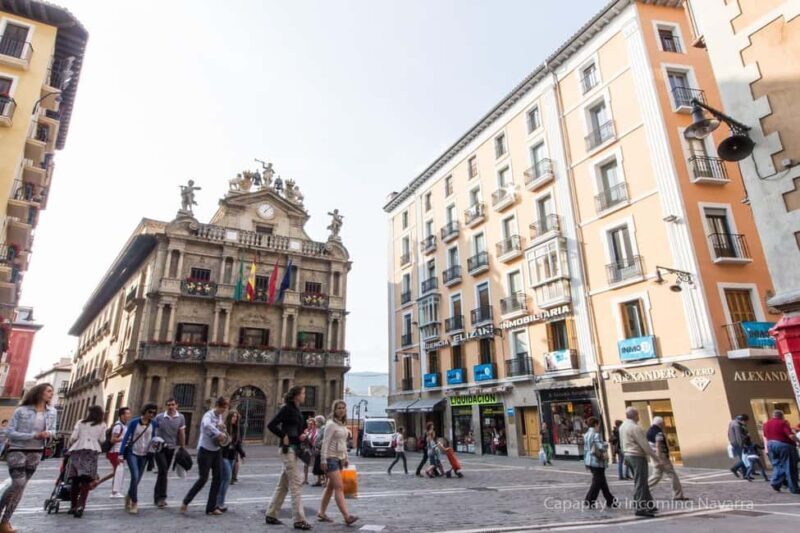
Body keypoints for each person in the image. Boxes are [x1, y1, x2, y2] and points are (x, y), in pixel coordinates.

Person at [0, 383, 57, 533]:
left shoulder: (52, 411)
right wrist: (33, 435)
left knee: (21, 487)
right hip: (17, 449)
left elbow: (53, 429)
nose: (52, 394)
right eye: (49, 391)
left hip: (36, 451)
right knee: (18, 483)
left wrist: (48, 433)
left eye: (52, 392)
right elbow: (9, 432)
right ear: (39, 393)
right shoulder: (21, 410)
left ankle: (4, 522)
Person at [265, 385, 311, 530]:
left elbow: (297, 431)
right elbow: (271, 425)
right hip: (287, 450)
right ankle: (299, 519)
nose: (305, 395)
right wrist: (283, 436)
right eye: (303, 393)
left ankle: (271, 514)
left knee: (283, 485)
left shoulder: (297, 410)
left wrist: (302, 436)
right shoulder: (286, 408)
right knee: (296, 483)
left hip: (295, 449)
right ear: (296, 395)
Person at [181, 396, 229, 515]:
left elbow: (220, 424)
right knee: (203, 478)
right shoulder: (208, 415)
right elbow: (207, 425)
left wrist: (222, 428)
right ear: (218, 406)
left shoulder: (219, 416)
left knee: (218, 478)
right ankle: (185, 502)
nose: (224, 411)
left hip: (216, 450)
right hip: (205, 450)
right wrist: (218, 433)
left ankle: (211, 508)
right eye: (224, 408)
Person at [317, 400, 358, 526]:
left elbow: (343, 443)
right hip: (330, 459)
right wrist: (323, 460)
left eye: (343, 408)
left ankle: (321, 513)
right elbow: (325, 443)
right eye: (339, 408)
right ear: (334, 410)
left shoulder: (342, 424)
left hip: (339, 459)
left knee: (330, 487)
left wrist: (345, 457)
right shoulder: (331, 424)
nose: (341, 410)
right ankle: (347, 516)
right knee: (339, 487)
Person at [620, 407, 662, 518]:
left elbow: (622, 443)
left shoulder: (622, 426)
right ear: (634, 415)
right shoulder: (635, 428)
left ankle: (650, 505)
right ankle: (640, 507)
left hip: (628, 455)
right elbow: (645, 445)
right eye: (638, 415)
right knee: (640, 483)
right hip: (637, 456)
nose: (639, 417)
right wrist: (656, 458)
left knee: (641, 482)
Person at [66, 405, 106, 518]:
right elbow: (102, 439)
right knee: (86, 481)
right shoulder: (102, 424)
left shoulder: (81, 422)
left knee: (75, 480)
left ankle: (73, 506)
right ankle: (81, 506)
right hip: (92, 452)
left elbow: (73, 437)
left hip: (78, 450)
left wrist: (70, 446)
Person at [120, 402, 158, 514]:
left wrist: (156, 444)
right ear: (144, 411)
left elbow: (154, 437)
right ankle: (134, 502)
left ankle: (129, 495)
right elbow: (126, 438)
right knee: (135, 476)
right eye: (150, 412)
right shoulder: (134, 422)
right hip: (133, 453)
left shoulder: (153, 424)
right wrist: (121, 454)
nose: (151, 414)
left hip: (145, 455)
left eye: (154, 413)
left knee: (137, 480)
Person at [154, 398, 186, 508]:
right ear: (166, 406)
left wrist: (182, 447)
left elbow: (181, 432)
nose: (171, 407)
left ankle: (157, 496)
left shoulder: (180, 418)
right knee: (163, 470)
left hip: (171, 448)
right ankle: (161, 498)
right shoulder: (159, 417)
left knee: (163, 473)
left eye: (173, 404)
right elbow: (154, 432)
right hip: (159, 448)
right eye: (168, 405)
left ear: (177, 405)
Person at [92, 406, 130, 497]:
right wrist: (124, 438)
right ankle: (114, 492)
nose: (129, 415)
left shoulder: (124, 425)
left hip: (118, 451)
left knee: (116, 472)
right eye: (127, 413)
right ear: (122, 415)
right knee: (118, 471)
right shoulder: (118, 426)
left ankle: (97, 482)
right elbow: (113, 440)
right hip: (114, 451)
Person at [647, 416, 687, 500]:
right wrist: (660, 459)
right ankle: (678, 495)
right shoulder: (658, 432)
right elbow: (658, 445)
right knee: (672, 475)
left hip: (654, 456)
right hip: (661, 457)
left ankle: (644, 490)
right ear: (660, 423)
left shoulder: (649, 431)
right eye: (662, 423)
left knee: (656, 475)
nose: (663, 425)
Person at [763, 409, 800, 493]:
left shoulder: (766, 424)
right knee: (789, 466)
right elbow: (790, 435)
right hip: (783, 445)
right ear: (781, 416)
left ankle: (775, 482)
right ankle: (794, 488)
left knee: (777, 465)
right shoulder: (783, 423)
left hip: (770, 444)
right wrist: (798, 441)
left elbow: (765, 435)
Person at [583, 417, 617, 509]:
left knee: (602, 482)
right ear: (595, 425)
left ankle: (610, 500)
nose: (599, 427)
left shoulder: (586, 434)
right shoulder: (596, 434)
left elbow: (586, 449)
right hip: (597, 461)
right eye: (598, 425)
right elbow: (601, 447)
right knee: (597, 482)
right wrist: (606, 444)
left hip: (589, 460)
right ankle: (589, 500)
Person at [218, 409, 245, 512]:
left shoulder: (237, 429)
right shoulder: (224, 428)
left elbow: (237, 444)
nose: (235, 418)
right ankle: (219, 503)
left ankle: (220, 502)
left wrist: (242, 454)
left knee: (224, 479)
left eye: (236, 417)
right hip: (223, 456)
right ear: (229, 417)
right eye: (233, 417)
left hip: (231, 456)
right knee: (227, 478)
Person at [727, 414, 749, 478]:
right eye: (745, 421)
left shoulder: (732, 423)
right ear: (742, 420)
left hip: (734, 443)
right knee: (745, 458)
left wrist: (731, 442)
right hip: (739, 444)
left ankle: (745, 474)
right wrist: (742, 444)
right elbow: (738, 436)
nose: (745, 423)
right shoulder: (737, 425)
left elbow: (728, 434)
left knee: (743, 458)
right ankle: (734, 468)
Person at [312, 415, 327, 486]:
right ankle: (319, 480)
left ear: (320, 422)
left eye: (316, 422)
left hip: (321, 449)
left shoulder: (323, 428)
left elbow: (324, 438)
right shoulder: (319, 429)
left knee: (322, 465)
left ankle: (326, 481)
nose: (315, 423)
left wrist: (319, 444)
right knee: (317, 465)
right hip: (318, 449)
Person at [303, 418, 318, 485]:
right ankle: (305, 480)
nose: (309, 425)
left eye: (311, 424)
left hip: (313, 450)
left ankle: (320, 479)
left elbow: (315, 440)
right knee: (305, 465)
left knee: (316, 464)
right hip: (307, 450)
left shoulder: (316, 431)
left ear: (314, 425)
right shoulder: (306, 431)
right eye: (308, 424)